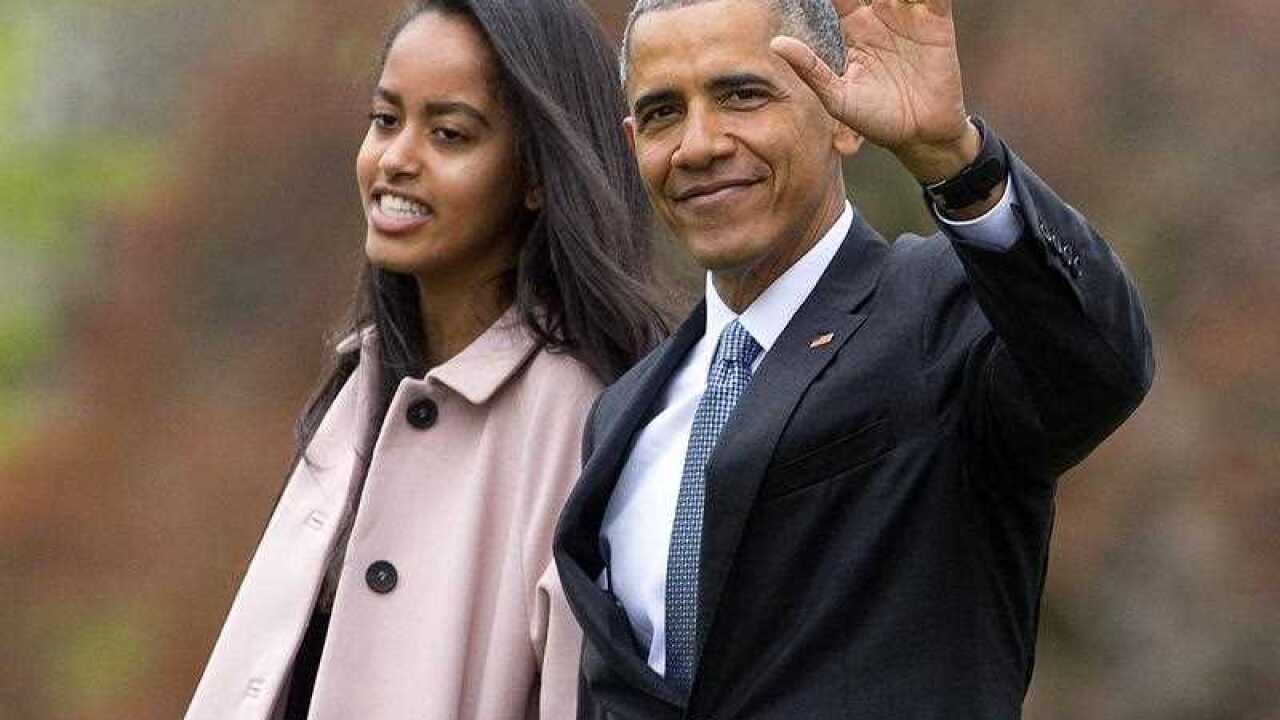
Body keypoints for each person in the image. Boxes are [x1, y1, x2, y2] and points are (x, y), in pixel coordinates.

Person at [554, 0, 1155, 717]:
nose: (699, 144)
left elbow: (1099, 367)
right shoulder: (624, 412)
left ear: (842, 115)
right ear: (632, 142)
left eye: (742, 95)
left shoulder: (944, 310)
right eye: (661, 113)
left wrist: (958, 165)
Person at [185, 1, 668, 718]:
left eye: (448, 134)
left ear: (537, 175)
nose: (396, 159)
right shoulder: (362, 385)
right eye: (385, 120)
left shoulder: (580, 415)